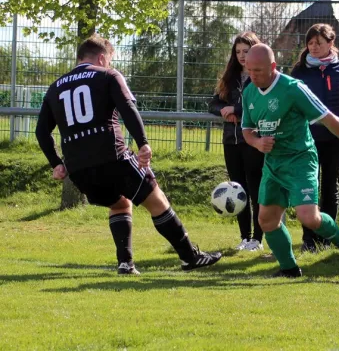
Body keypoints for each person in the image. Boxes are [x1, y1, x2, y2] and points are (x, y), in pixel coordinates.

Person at [35, 35, 222, 275]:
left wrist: (56, 163)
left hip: (79, 170)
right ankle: (190, 257)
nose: (110, 64)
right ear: (102, 57)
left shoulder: (55, 87)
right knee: (157, 201)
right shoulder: (108, 75)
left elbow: (42, 132)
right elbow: (128, 109)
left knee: (119, 202)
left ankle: (125, 263)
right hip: (113, 158)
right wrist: (143, 143)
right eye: (110, 60)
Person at [241, 44, 339, 277]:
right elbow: (247, 129)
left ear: (273, 67)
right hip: (273, 164)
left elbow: (329, 118)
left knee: (309, 218)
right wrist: (256, 143)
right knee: (267, 220)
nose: (253, 75)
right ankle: (290, 269)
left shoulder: (293, 89)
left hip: (300, 159)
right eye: (249, 70)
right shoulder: (249, 92)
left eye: (259, 70)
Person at [290, 23, 339, 252]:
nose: (314, 47)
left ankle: (327, 237)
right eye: (310, 43)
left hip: (334, 140)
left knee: (331, 188)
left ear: (331, 43)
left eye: (318, 43)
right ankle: (309, 239)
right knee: (308, 188)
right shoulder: (299, 71)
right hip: (305, 139)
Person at [209, 32, 265, 252]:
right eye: (238, 51)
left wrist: (238, 110)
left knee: (255, 188)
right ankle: (245, 237)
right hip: (231, 142)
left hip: (252, 141)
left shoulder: (262, 76)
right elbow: (212, 104)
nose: (242, 56)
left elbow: (260, 105)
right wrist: (224, 111)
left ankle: (258, 239)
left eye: (246, 51)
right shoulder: (229, 78)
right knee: (237, 189)